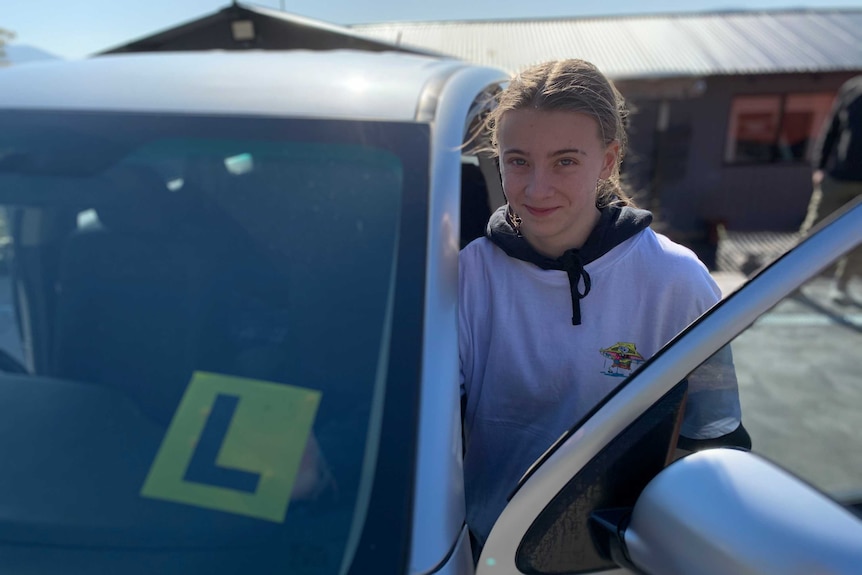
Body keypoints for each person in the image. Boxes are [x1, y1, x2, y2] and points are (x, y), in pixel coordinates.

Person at [459, 59, 750, 552]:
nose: (536, 187)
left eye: (565, 161)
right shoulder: (469, 274)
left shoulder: (676, 281)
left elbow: (715, 439)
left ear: (609, 160)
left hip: (615, 554)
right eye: (518, 160)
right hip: (488, 548)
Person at [799, 75, 862, 305]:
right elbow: (832, 128)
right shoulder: (853, 88)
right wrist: (820, 166)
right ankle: (792, 284)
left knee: (858, 241)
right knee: (813, 232)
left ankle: (841, 285)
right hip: (837, 177)